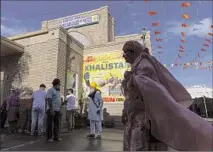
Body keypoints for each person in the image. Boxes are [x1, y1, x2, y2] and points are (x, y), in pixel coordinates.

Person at [121, 40, 213, 151]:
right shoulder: (136, 67)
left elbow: (151, 89)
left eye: (125, 52)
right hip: (133, 120)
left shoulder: (144, 65)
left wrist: (131, 78)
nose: (123, 56)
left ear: (133, 52)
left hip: (144, 121)